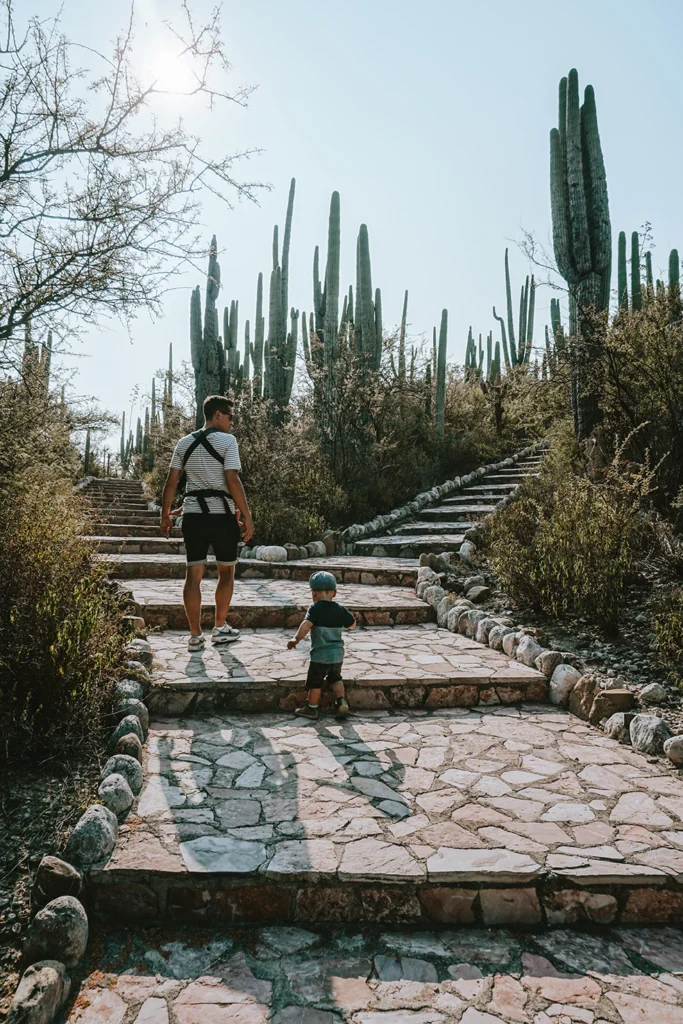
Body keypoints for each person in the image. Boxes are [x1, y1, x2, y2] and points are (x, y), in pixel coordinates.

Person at [160, 395, 254, 652]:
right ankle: (220, 627)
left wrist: (165, 515)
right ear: (218, 415)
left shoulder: (184, 443)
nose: (232, 423)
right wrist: (247, 515)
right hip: (221, 516)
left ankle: (195, 636)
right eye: (231, 417)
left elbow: (171, 482)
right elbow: (232, 480)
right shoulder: (227, 441)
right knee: (227, 572)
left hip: (192, 515)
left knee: (194, 575)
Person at [287, 570, 355, 720]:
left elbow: (306, 625)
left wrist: (295, 639)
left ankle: (311, 708)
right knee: (335, 678)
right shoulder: (340, 609)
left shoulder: (315, 609)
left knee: (315, 683)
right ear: (334, 593)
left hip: (320, 656)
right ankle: (341, 701)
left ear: (313, 593)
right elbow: (352, 624)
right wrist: (347, 627)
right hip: (337, 655)